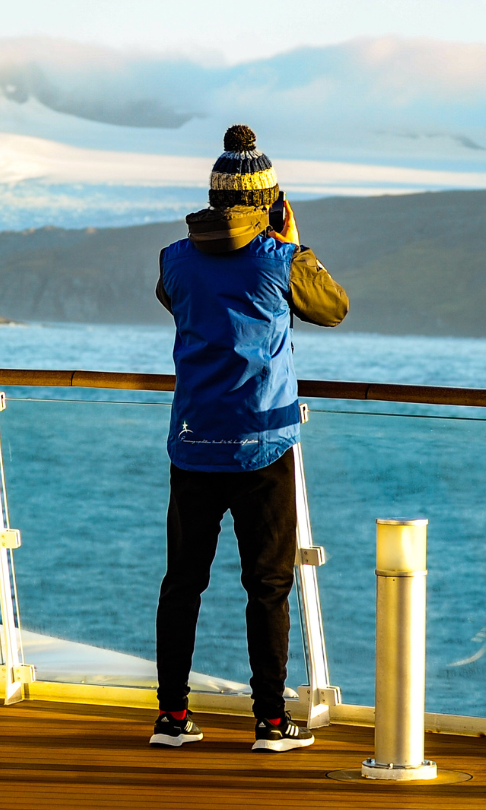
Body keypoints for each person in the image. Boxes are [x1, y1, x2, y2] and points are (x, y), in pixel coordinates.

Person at [149, 124, 349, 752]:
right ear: (271, 204)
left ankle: (173, 718)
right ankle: (268, 720)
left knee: (183, 582)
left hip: (194, 439)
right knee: (266, 586)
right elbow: (333, 307)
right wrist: (293, 242)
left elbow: (173, 298)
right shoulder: (279, 259)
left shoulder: (174, 258)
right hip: (262, 444)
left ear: (212, 198)